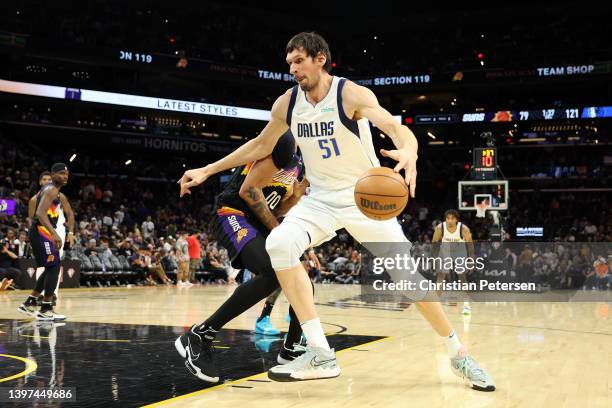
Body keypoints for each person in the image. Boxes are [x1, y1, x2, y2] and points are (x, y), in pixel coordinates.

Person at [179, 32, 494, 390]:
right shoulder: (288, 103)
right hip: (320, 199)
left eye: (299, 61)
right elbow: (261, 144)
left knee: (409, 280)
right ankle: (320, 352)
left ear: (320, 58)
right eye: (289, 64)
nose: (293, 69)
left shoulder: (349, 95)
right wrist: (208, 170)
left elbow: (393, 126)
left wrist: (409, 152)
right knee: (280, 245)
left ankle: (459, 354)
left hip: (364, 198)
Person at [175, 131, 309, 383]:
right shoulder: (284, 141)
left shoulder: (301, 162)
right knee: (272, 274)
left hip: (258, 222)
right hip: (232, 213)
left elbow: (276, 208)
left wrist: (296, 196)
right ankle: (199, 335)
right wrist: (279, 231)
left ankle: (292, 349)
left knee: (302, 280)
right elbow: (249, 191)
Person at [18, 163, 73, 320]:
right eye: (61, 173)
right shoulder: (51, 189)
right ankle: (46, 308)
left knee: (52, 267)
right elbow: (40, 215)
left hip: (44, 232)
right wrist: (54, 233)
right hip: (41, 231)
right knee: (54, 267)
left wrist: (69, 231)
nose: (65, 177)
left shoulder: (55, 192)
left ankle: (30, 302)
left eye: (67, 174)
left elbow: (69, 214)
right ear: (53, 174)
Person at [431, 210, 475, 315]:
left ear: (456, 219)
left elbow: (470, 244)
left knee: (462, 277)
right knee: (440, 276)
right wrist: (435, 257)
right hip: (445, 252)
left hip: (459, 252)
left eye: (452, 218)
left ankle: (466, 303)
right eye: (447, 218)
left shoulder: (463, 229)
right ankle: (436, 303)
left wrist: (471, 259)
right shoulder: (440, 228)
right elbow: (434, 243)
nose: (450, 220)